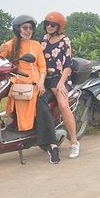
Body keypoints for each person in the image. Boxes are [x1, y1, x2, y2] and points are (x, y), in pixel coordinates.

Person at [0, 15, 60, 164]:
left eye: (30, 28)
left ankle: (52, 145)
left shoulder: (36, 45)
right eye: (24, 28)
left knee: (41, 106)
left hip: (36, 83)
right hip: (17, 82)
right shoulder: (12, 44)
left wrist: (41, 83)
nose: (28, 31)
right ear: (18, 29)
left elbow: (42, 66)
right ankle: (2, 126)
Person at [41, 11, 79, 159]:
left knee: (63, 105)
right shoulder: (42, 40)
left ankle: (74, 142)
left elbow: (68, 64)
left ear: (59, 26)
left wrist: (62, 83)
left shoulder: (65, 41)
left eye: (53, 24)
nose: (50, 26)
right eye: (48, 24)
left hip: (59, 78)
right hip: (44, 78)